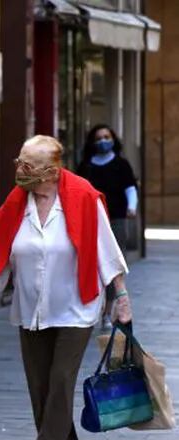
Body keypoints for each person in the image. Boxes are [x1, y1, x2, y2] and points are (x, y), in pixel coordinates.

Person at [0, 135, 131, 440]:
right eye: (18, 162)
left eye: (26, 165)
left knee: (61, 381)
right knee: (40, 386)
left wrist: (121, 297)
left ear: (51, 171)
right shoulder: (17, 203)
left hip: (76, 307)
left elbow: (106, 251)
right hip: (31, 309)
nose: (18, 170)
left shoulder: (83, 198)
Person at [77, 124, 139, 327]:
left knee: (113, 264)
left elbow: (130, 188)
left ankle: (107, 310)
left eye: (106, 136)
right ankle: (91, 306)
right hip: (91, 220)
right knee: (90, 264)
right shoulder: (86, 166)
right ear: (92, 142)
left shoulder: (121, 164)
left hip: (116, 219)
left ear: (113, 139)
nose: (103, 141)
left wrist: (132, 207)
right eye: (98, 138)